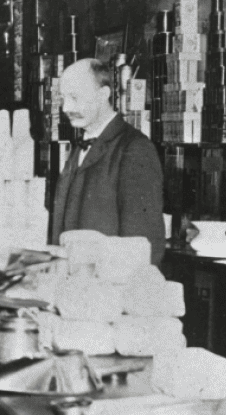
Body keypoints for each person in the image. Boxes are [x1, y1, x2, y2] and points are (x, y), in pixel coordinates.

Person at [51, 57, 165, 264]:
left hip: (108, 289)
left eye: (75, 98)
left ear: (103, 94)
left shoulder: (135, 148)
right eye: (63, 98)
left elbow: (143, 245)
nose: (66, 107)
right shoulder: (79, 146)